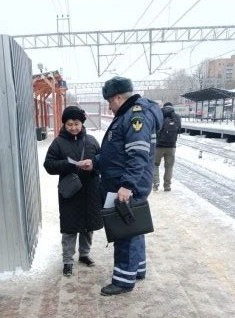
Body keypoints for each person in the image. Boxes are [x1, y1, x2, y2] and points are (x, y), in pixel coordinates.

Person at [78, 76, 163, 296]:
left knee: (125, 231)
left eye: (109, 101)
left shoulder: (135, 116)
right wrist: (95, 162)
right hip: (124, 182)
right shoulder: (128, 114)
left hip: (125, 186)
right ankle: (137, 269)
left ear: (118, 97)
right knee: (134, 228)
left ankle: (124, 281)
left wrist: (127, 186)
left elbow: (137, 155)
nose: (109, 105)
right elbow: (116, 153)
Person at [44, 106, 103, 277]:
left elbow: (102, 162)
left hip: (90, 190)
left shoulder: (91, 141)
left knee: (88, 226)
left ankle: (84, 254)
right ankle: (67, 260)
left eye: (76, 123)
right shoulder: (58, 143)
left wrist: (92, 165)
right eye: (69, 124)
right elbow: (49, 165)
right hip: (70, 191)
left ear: (82, 123)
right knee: (69, 228)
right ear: (64, 124)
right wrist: (69, 164)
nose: (73, 127)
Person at [153, 102, 181, 192]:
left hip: (158, 146)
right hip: (171, 146)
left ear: (163, 107)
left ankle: (156, 183)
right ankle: (167, 186)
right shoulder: (176, 117)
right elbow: (179, 129)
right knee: (169, 167)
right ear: (172, 107)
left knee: (155, 165)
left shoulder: (159, 115)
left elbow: (154, 128)